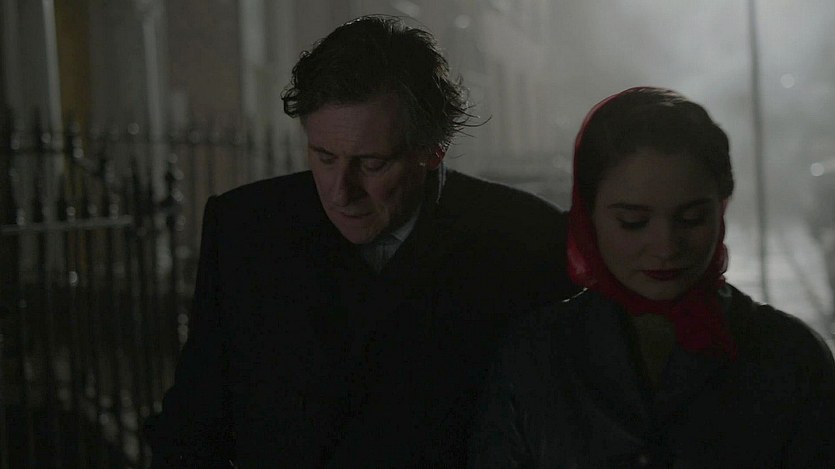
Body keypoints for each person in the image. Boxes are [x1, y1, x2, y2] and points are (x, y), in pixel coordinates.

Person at [144, 15, 577, 467]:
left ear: (433, 149)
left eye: (371, 163)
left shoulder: (524, 240)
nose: (340, 192)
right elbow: (192, 424)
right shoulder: (244, 229)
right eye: (324, 156)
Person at [468, 87, 835, 467]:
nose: (666, 247)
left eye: (692, 218)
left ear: (721, 207)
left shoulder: (790, 356)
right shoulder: (535, 356)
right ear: (588, 215)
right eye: (633, 221)